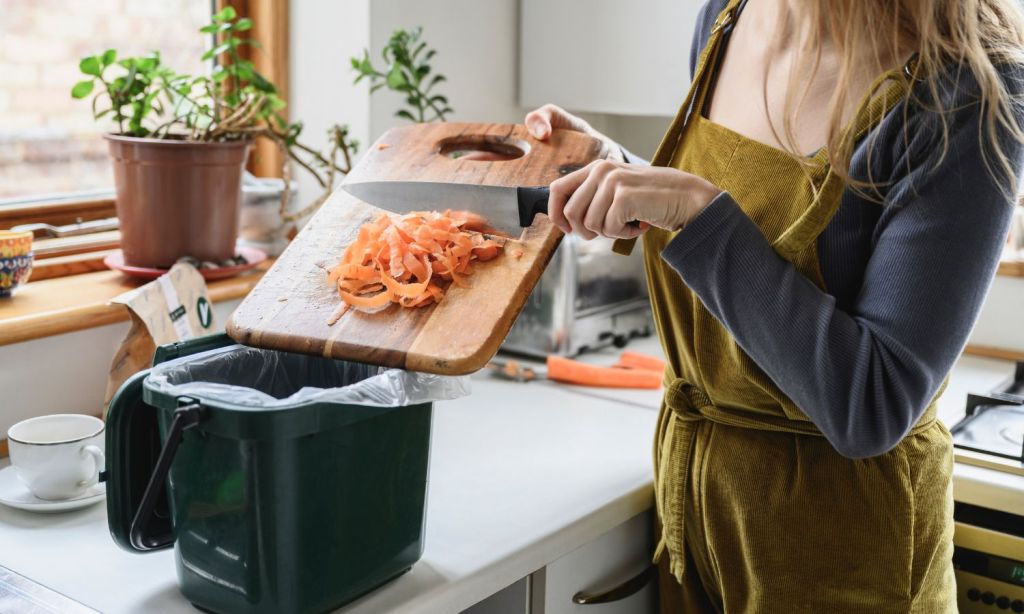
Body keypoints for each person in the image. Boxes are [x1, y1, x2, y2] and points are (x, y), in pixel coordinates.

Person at [525, 0, 1024, 611]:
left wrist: (694, 212)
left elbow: (874, 402)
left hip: (842, 551)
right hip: (695, 520)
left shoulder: (970, 88)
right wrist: (620, 177)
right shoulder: (727, 16)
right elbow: (746, 236)